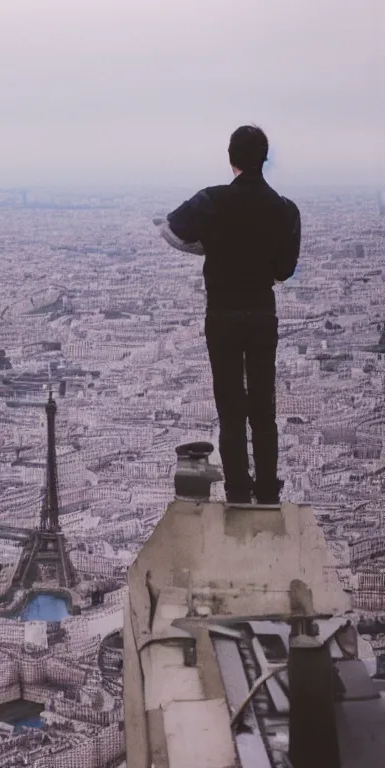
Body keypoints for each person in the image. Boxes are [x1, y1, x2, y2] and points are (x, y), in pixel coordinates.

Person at [156, 125, 301, 504]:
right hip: (260, 314)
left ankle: (237, 489)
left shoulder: (212, 201)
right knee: (262, 405)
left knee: (230, 404)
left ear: (231, 158)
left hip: (221, 314)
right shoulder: (285, 209)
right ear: (264, 159)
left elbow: (171, 231)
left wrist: (214, 247)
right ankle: (268, 489)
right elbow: (285, 270)